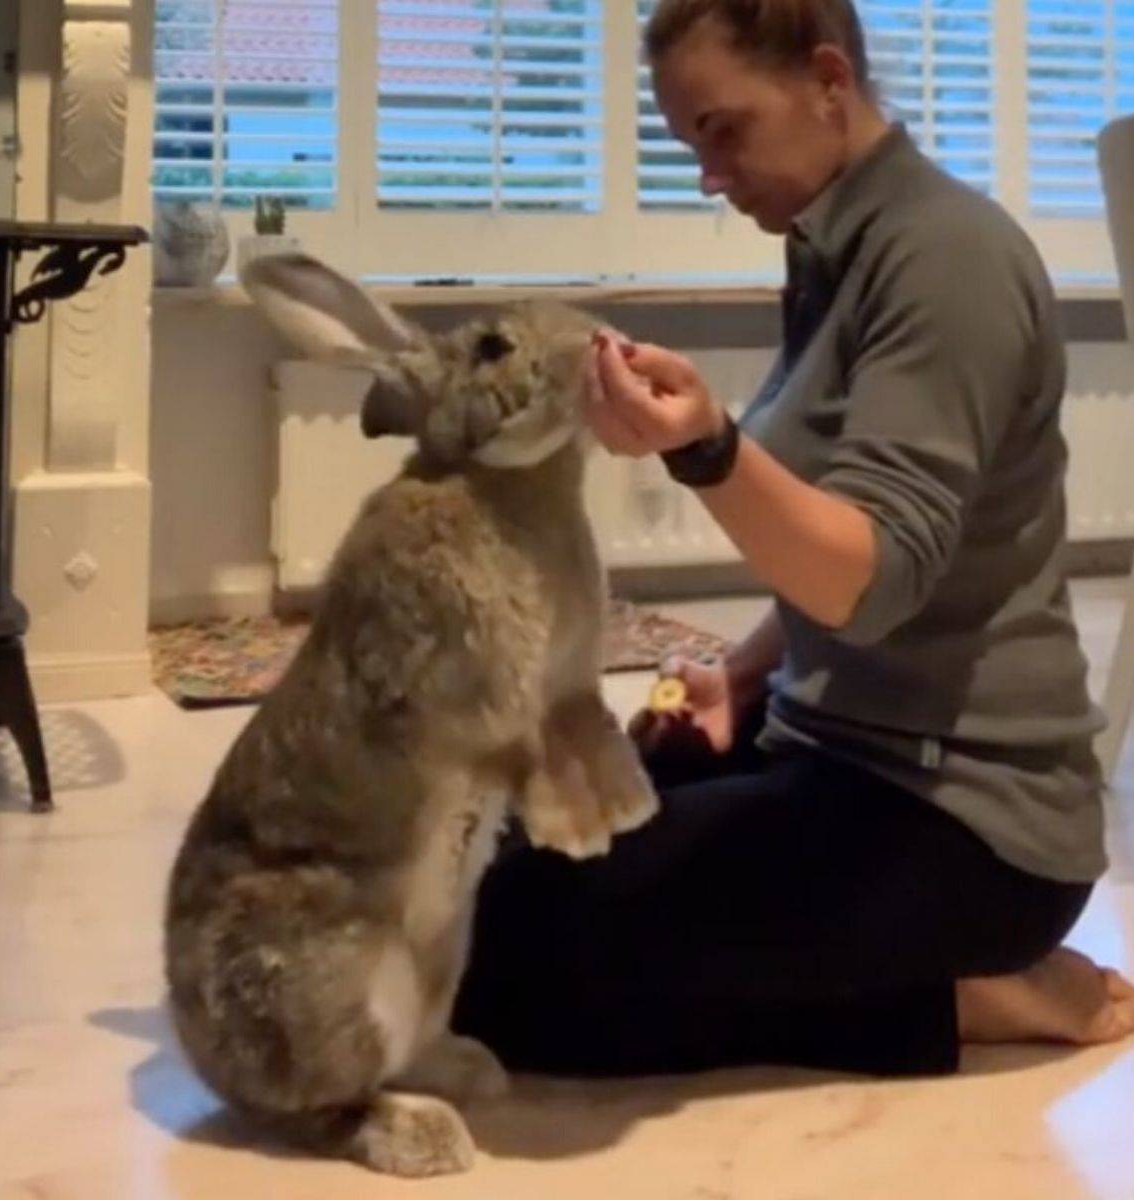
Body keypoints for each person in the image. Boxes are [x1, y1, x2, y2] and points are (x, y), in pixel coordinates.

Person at [450, 0, 1134, 1077]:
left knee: (499, 967)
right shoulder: (837, 247)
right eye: (690, 145)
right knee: (489, 860)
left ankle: (961, 995)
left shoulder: (945, 259)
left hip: (966, 820)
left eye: (723, 130)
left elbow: (876, 576)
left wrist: (711, 448)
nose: (710, 176)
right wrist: (745, 673)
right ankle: (906, 972)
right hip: (836, 749)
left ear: (828, 80)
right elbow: (854, 535)